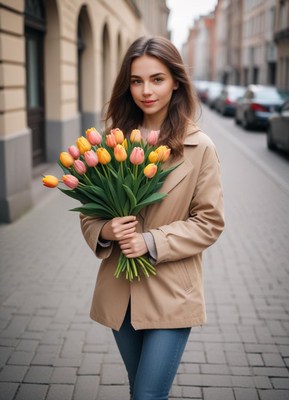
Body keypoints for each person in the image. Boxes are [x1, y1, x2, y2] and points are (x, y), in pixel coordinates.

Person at [80, 36, 225, 400]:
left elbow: (209, 221)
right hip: (120, 291)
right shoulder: (111, 142)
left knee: (148, 395)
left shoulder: (200, 146)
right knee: (137, 390)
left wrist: (151, 241)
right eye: (136, 80)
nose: (146, 90)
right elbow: (88, 212)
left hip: (172, 292)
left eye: (157, 79)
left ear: (176, 81)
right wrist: (106, 229)